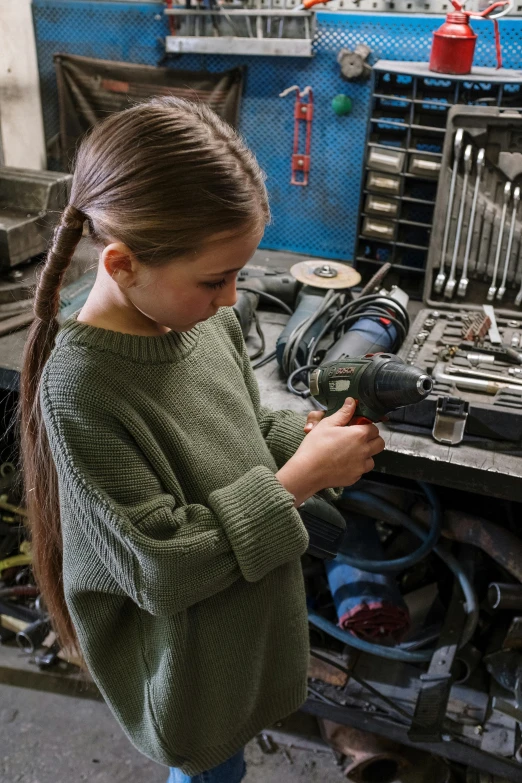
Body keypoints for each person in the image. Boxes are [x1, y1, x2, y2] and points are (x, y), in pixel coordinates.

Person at [19, 97, 385, 783]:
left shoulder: (198, 322)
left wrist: (304, 437)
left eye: (239, 274)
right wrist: (297, 479)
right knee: (211, 769)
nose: (231, 298)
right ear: (123, 264)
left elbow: (236, 431)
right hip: (188, 666)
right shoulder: (84, 388)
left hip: (242, 631)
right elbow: (164, 567)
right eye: (215, 278)